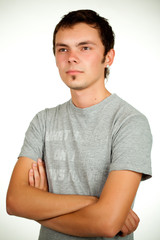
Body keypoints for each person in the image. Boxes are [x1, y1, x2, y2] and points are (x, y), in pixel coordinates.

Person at [6, 9, 152, 240]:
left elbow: (106, 224)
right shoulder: (43, 121)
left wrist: (38, 207)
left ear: (109, 57)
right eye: (63, 49)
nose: (71, 57)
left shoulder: (129, 122)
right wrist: (93, 202)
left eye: (85, 48)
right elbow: (14, 202)